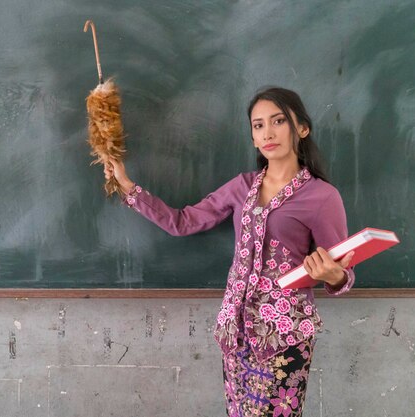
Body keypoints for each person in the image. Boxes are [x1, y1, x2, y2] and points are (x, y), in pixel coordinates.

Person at [103, 86, 355, 417]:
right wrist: (127, 186)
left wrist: (334, 275)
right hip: (235, 331)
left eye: (278, 121)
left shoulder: (322, 196)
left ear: (302, 129)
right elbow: (182, 222)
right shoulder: (242, 186)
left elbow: (342, 270)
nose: (268, 132)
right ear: (252, 136)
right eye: (258, 125)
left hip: (284, 333)